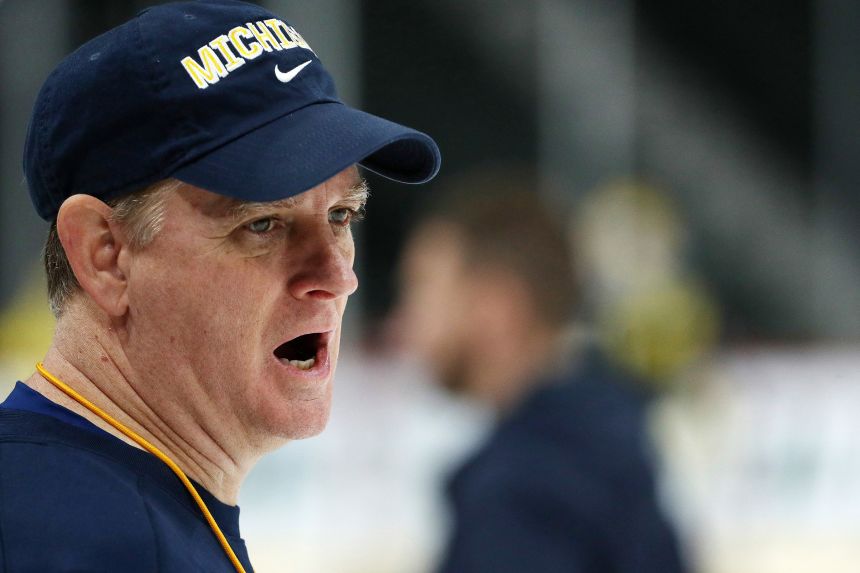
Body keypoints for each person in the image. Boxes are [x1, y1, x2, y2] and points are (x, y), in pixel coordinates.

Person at [0, 1, 439, 571]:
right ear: (105, 255)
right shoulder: (111, 547)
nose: (338, 276)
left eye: (341, 215)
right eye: (262, 224)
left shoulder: (86, 501)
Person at [394, 167, 686, 573]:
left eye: (423, 289)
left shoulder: (520, 492)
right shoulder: (608, 445)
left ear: (497, 306)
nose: (403, 323)